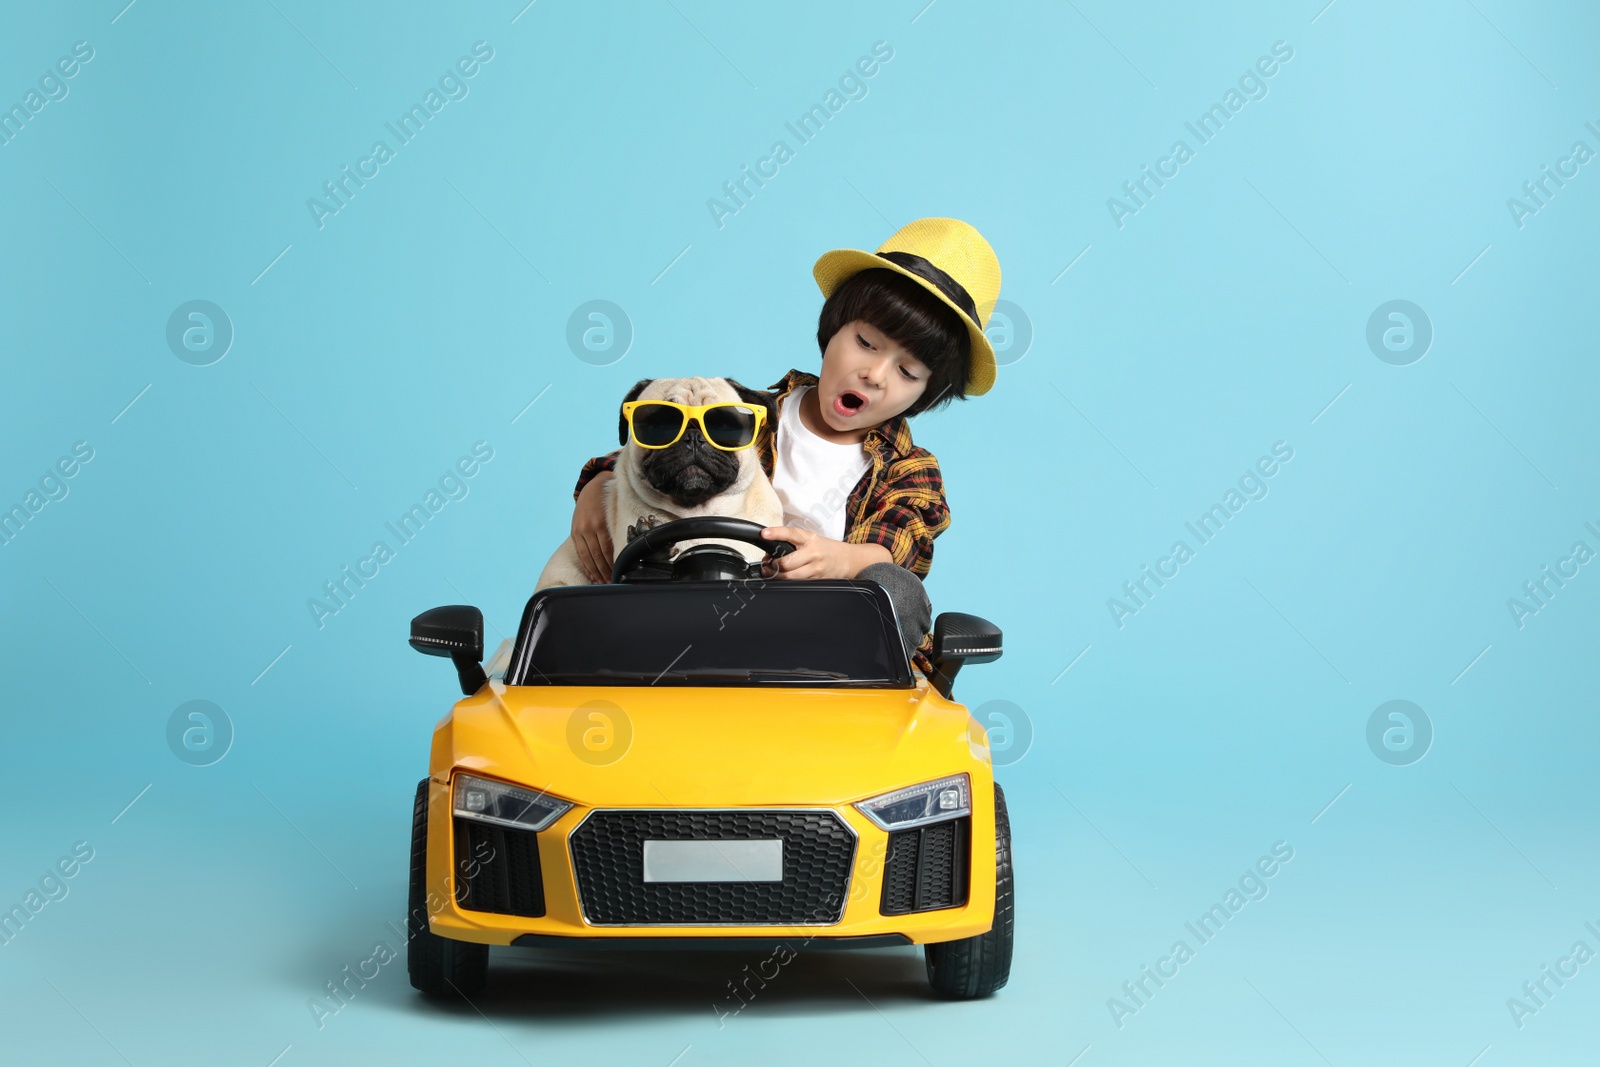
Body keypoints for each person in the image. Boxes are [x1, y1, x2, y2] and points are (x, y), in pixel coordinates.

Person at [568, 217, 1002, 674]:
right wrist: (598, 482)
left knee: (896, 585)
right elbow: (669, 450)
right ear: (832, 328)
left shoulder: (909, 470)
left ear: (925, 395)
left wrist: (840, 559)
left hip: (825, 642)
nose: (874, 375)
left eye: (907, 373)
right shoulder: (746, 416)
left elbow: (899, 542)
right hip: (710, 619)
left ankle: (838, 705)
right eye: (865, 343)